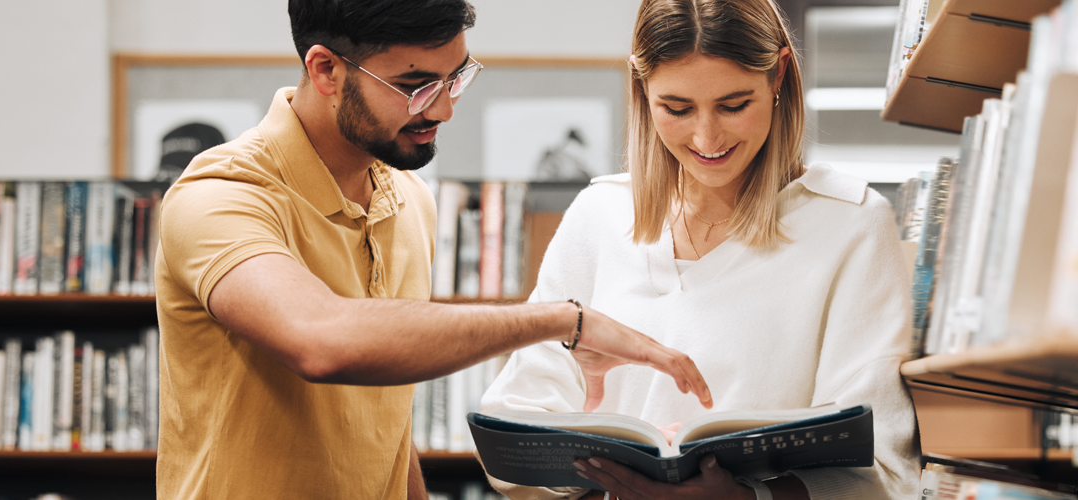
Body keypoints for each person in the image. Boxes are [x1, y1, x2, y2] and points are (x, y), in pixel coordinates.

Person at [154, 1, 712, 499]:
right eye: (415, 84)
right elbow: (320, 341)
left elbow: (383, 434)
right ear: (325, 70)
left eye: (457, 78)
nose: (443, 110)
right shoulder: (220, 196)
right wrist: (564, 322)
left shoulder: (410, 200)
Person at [479, 0, 922, 499]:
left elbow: (885, 473)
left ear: (778, 76)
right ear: (641, 88)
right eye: (677, 108)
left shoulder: (852, 224)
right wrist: (604, 452)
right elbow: (511, 444)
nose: (707, 138)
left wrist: (749, 497)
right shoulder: (598, 214)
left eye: (734, 105)